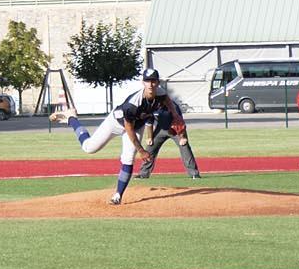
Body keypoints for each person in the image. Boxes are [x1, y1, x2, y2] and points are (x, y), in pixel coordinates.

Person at [50, 70, 170, 205]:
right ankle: (72, 118)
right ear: (143, 82)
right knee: (89, 148)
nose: (151, 84)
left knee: (129, 158)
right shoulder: (133, 103)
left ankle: (118, 195)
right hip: (116, 122)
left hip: (136, 126)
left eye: (153, 81)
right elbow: (128, 129)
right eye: (147, 81)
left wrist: (176, 118)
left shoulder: (161, 93)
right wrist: (141, 150)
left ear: (158, 82)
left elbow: (168, 102)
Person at [134, 75, 202, 180]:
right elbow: (149, 121)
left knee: (184, 146)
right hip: (160, 129)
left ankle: (194, 173)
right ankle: (143, 174)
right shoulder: (151, 105)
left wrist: (182, 136)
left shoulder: (172, 105)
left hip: (175, 129)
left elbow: (179, 121)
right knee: (150, 148)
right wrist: (149, 137)